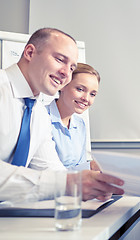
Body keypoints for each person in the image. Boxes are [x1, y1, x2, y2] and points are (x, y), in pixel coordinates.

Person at [0, 28, 124, 203]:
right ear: (29, 52)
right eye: (60, 60)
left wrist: (91, 186)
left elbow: (50, 169)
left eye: (72, 67)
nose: (66, 73)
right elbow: (60, 181)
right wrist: (68, 183)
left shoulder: (38, 113)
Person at [46, 63, 100, 170]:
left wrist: (91, 167)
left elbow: (79, 166)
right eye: (80, 89)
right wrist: (90, 167)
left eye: (92, 94)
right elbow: (46, 171)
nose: (86, 98)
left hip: (74, 185)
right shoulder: (41, 117)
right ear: (63, 86)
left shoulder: (80, 124)